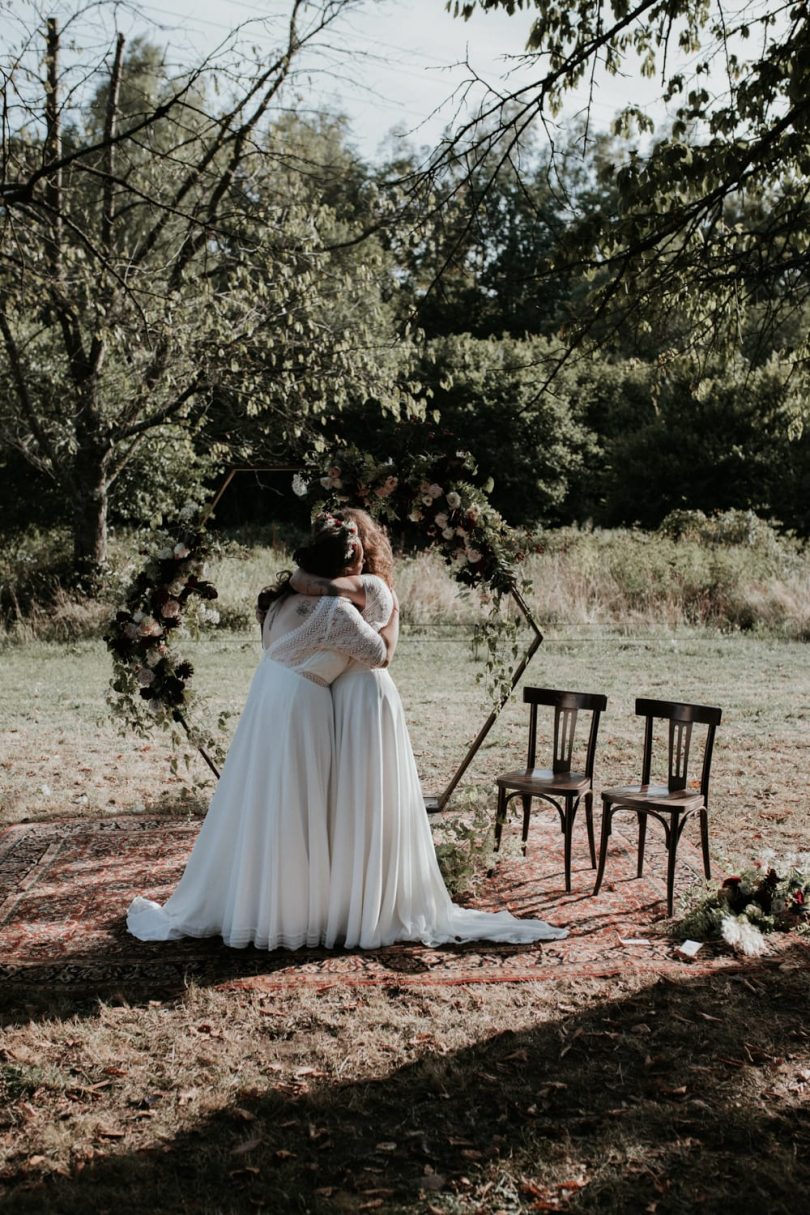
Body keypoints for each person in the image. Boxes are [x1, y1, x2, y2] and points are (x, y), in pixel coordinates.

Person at [290, 507, 568, 947]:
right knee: (342, 800)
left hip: (363, 696)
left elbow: (315, 594)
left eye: (349, 539)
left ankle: (373, 903)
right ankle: (341, 900)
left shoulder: (370, 587)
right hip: (338, 697)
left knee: (368, 797)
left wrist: (314, 578)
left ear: (359, 545)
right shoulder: (344, 595)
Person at [126, 514, 396, 949]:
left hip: (269, 694)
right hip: (300, 705)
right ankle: (289, 912)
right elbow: (380, 653)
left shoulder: (277, 601)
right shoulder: (338, 612)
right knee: (295, 800)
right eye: (360, 555)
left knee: (267, 798)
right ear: (350, 561)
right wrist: (389, 604)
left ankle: (260, 898)